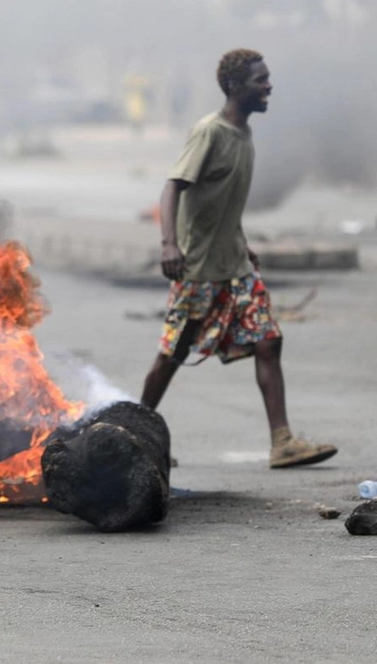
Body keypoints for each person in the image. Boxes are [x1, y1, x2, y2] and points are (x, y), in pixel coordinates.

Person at [141, 48, 337, 469]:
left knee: (269, 340)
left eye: (267, 78)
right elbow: (172, 187)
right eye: (259, 80)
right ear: (234, 87)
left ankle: (282, 442)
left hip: (235, 267)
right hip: (199, 269)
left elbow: (222, 201)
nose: (268, 86)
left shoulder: (244, 133)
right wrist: (169, 244)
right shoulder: (210, 132)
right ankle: (137, 433)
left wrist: (240, 242)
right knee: (174, 352)